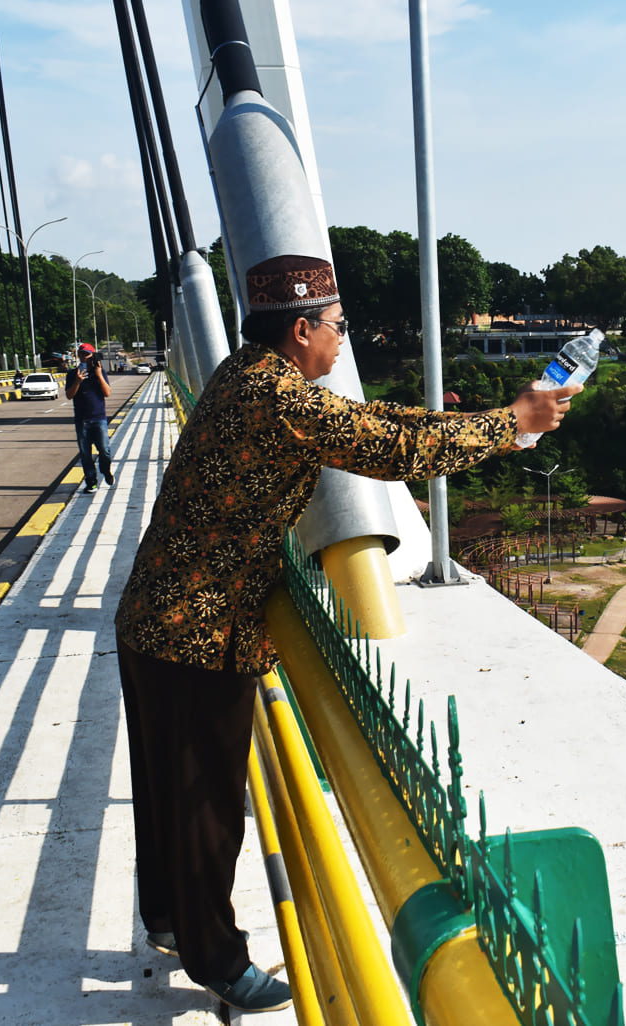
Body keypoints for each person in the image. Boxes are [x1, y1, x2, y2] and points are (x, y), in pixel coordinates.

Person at [113, 254, 578, 1013]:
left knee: (162, 788)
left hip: (154, 620)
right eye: (337, 327)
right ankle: (217, 959)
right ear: (301, 330)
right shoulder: (275, 396)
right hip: (200, 633)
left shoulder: (247, 376)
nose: (341, 341)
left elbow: (378, 423)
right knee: (205, 804)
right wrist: (512, 424)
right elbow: (391, 450)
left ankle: (167, 917)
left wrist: (480, 422)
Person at [64, 342, 113, 493]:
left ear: (92, 356)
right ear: (78, 356)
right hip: (82, 419)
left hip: (99, 418)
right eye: (82, 354)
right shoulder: (73, 374)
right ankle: (91, 481)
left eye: (88, 354)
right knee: (85, 453)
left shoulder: (99, 371)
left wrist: (98, 375)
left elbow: (107, 393)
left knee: (104, 450)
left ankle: (105, 470)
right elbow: (69, 395)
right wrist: (78, 381)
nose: (85, 357)